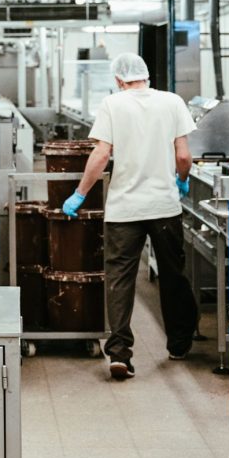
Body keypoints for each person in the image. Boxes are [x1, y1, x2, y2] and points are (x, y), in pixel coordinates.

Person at [62, 52, 198, 381]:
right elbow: (183, 155)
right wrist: (180, 179)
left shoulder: (113, 104)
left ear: (119, 80)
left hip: (124, 209)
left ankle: (120, 353)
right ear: (146, 76)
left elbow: (101, 154)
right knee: (173, 274)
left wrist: (80, 193)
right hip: (164, 206)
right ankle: (179, 344)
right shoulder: (173, 102)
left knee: (120, 280)